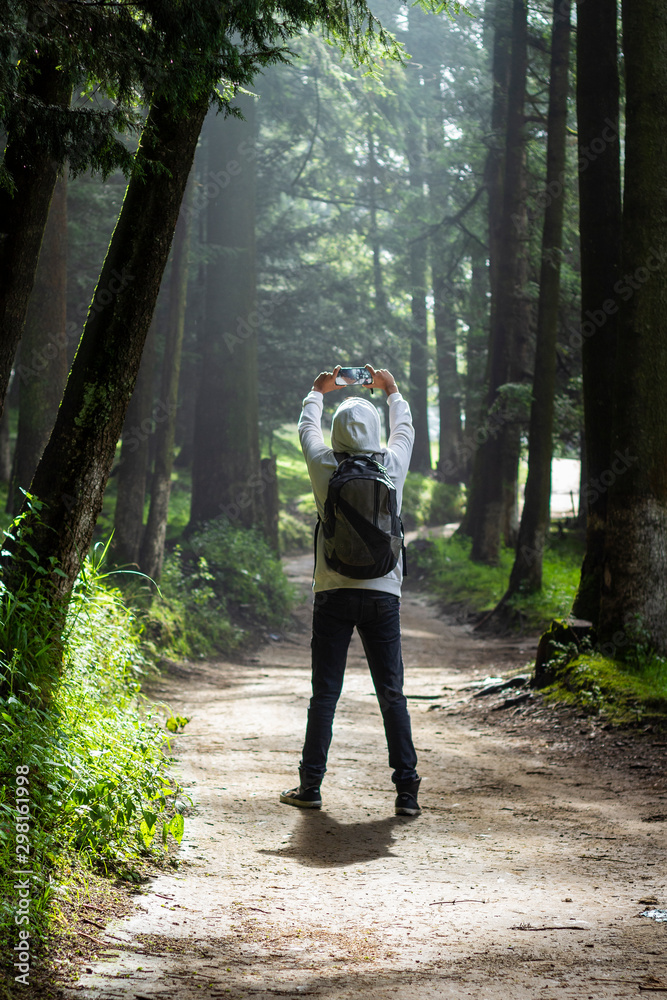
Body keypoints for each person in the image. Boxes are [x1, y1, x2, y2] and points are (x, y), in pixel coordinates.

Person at [280, 363, 421, 816]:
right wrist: (391, 389)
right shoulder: (392, 466)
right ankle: (407, 793)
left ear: (339, 433)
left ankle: (311, 786)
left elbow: (307, 428)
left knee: (325, 693)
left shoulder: (324, 466)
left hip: (333, 593)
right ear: (375, 430)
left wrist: (317, 390)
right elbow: (406, 428)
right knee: (391, 694)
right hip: (384, 595)